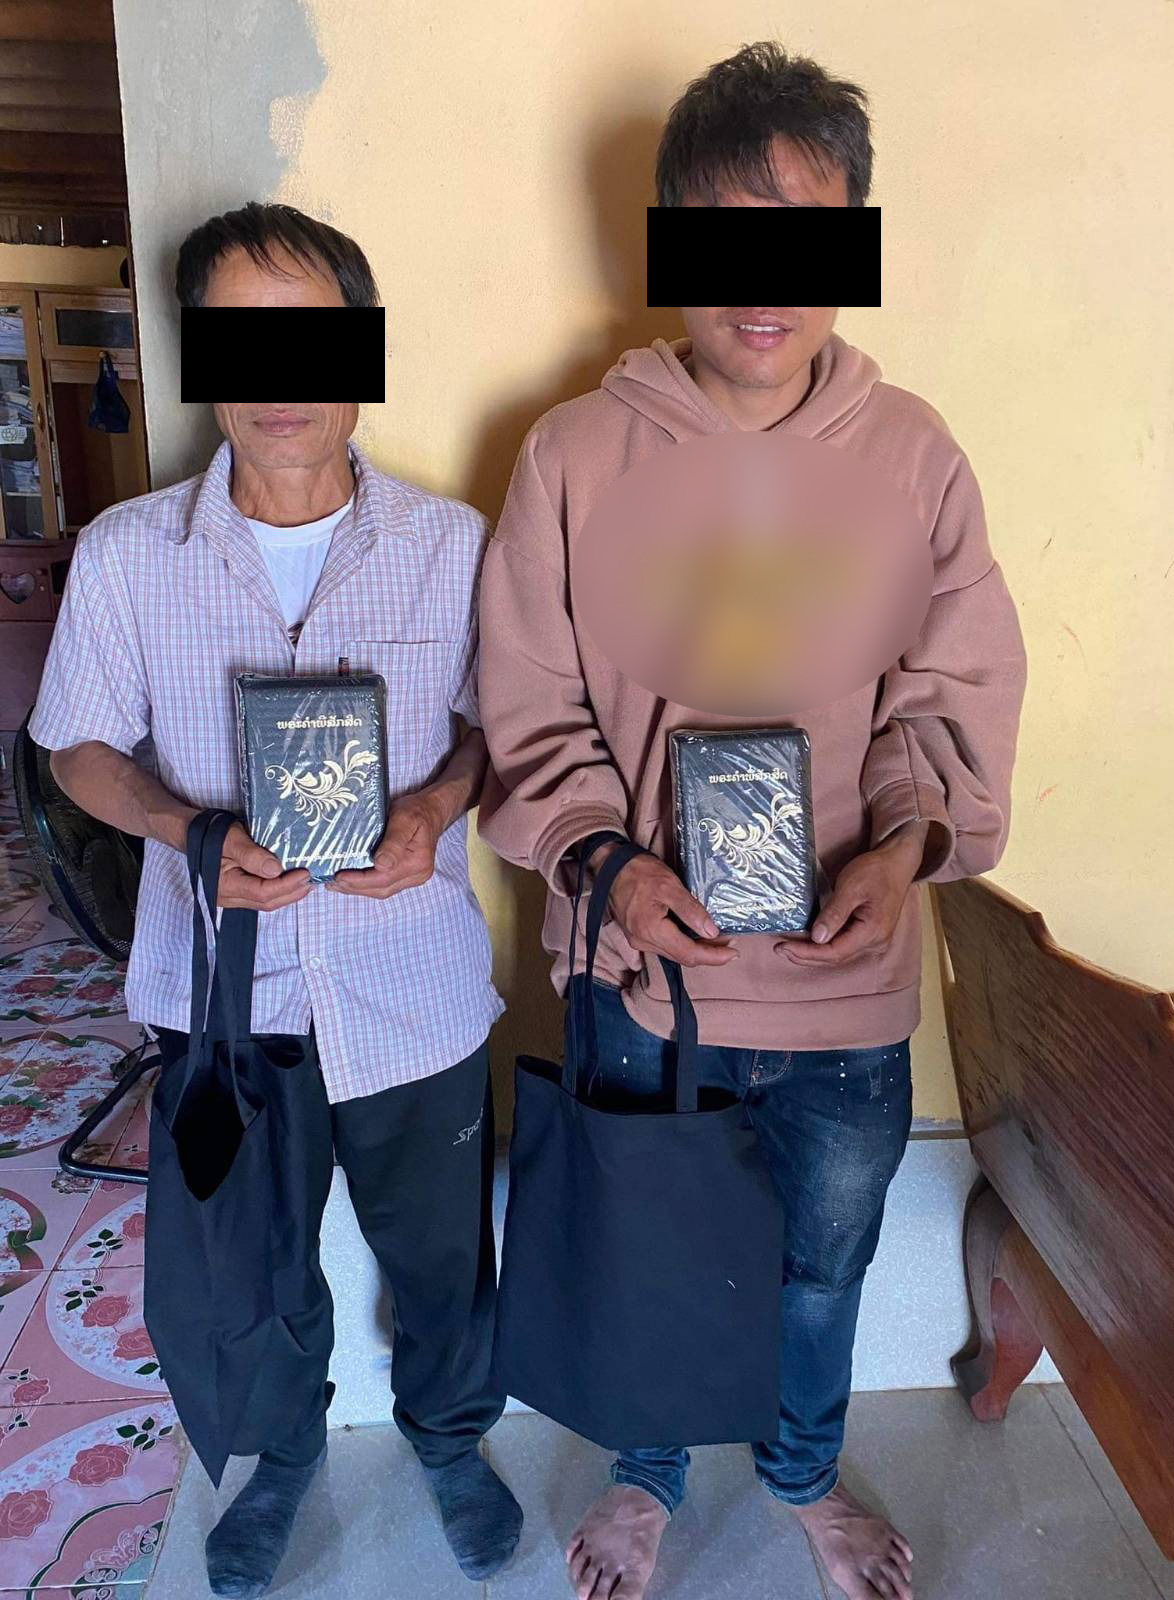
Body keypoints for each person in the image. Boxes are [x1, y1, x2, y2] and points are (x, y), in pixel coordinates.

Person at [478, 43, 1026, 1600]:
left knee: (823, 1263)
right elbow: (527, 699)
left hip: (845, 987)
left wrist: (906, 848)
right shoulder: (575, 453)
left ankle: (799, 1473)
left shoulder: (914, 456)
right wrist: (605, 863)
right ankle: (647, 1475)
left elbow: (942, 697)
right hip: (645, 971)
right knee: (648, 1241)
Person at [30, 202, 521, 1598]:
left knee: (443, 1254)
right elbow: (74, 747)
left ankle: (448, 1438)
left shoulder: (454, 544)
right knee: (257, 1263)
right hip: (223, 996)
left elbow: (498, 730)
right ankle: (283, 1454)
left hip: (412, 989)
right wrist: (185, 828)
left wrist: (434, 808)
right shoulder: (130, 552)